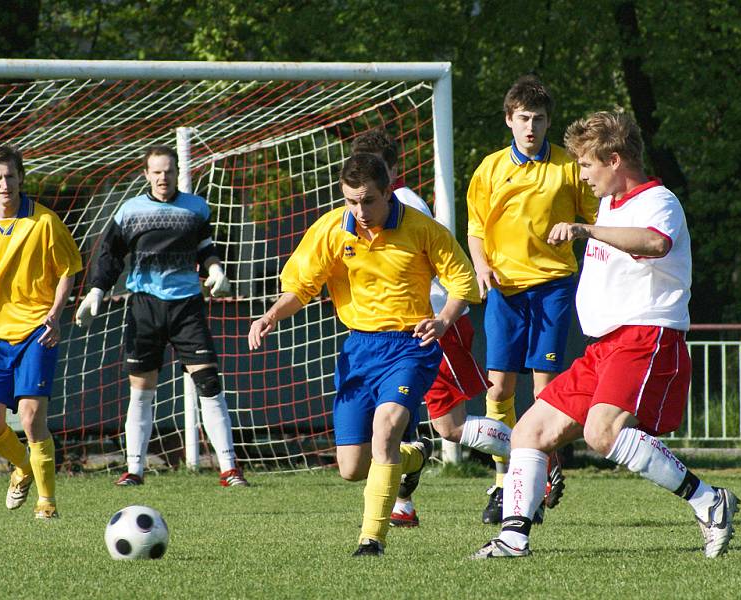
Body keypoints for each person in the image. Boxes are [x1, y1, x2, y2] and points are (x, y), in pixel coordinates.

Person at [473, 111, 739, 559]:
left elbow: (656, 244)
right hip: (605, 348)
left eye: (585, 165)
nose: (581, 174)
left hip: (645, 335)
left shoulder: (659, 201)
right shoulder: (610, 204)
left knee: (603, 432)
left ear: (614, 160)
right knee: (529, 432)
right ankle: (513, 539)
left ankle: (709, 501)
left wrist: (586, 229)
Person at [248, 153, 481, 556]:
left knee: (388, 427)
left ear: (388, 193)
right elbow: (301, 287)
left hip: (411, 345)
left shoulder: (422, 229)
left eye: (368, 201)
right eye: (351, 201)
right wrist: (271, 314)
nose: (360, 210)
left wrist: (443, 319)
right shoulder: (332, 230)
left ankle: (371, 539)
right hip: (358, 350)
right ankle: (414, 457)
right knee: (352, 468)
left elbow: (464, 281)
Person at [351, 129, 511, 528]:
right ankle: (403, 504)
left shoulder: (405, 205)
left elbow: (446, 273)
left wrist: (442, 319)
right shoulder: (360, 216)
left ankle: (533, 456)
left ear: (393, 172)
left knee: (450, 427)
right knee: (390, 422)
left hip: (435, 325)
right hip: (396, 333)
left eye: (378, 171)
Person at [466, 75, 598, 523]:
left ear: (548, 122)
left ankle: (537, 479)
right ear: (509, 119)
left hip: (553, 286)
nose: (530, 127)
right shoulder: (488, 169)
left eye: (538, 119)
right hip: (504, 291)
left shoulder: (567, 167)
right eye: (523, 118)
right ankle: (505, 482)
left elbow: (598, 217)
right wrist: (481, 266)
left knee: (543, 389)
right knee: (499, 388)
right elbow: (476, 229)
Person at [75, 145, 248, 488]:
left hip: (187, 306)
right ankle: (134, 470)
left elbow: (206, 248)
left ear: (178, 171)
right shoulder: (130, 211)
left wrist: (216, 270)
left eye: (168, 171)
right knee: (141, 390)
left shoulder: (196, 207)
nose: (162, 177)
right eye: (156, 172)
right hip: (145, 307)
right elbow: (110, 255)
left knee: (209, 383)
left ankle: (229, 469)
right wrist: (96, 290)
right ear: (146, 174)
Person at [0, 144, 82, 519]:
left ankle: (47, 503)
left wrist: (55, 314)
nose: (4, 184)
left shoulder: (44, 223)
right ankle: (22, 467)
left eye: (10, 176)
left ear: (21, 178)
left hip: (36, 332)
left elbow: (68, 270)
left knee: (30, 417)